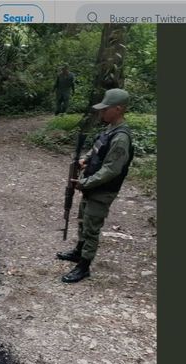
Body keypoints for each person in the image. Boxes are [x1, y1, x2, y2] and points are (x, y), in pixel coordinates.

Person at [57, 88, 134, 283]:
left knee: (91, 227)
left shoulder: (121, 137)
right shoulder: (109, 129)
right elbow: (97, 149)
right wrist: (85, 159)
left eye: (105, 109)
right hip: (93, 187)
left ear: (118, 109)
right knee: (83, 219)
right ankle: (78, 251)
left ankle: (84, 266)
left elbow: (111, 169)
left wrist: (84, 183)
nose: (101, 113)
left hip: (102, 190)